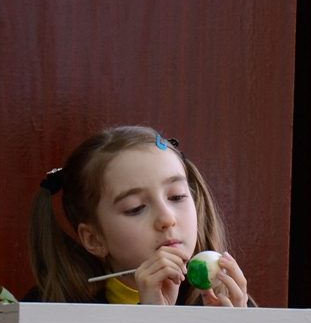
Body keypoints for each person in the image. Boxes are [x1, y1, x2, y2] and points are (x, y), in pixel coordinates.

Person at [27, 125, 250, 307]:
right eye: (136, 208)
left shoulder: (223, 303)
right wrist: (149, 320)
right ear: (94, 239)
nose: (167, 219)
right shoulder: (51, 312)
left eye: (177, 196)